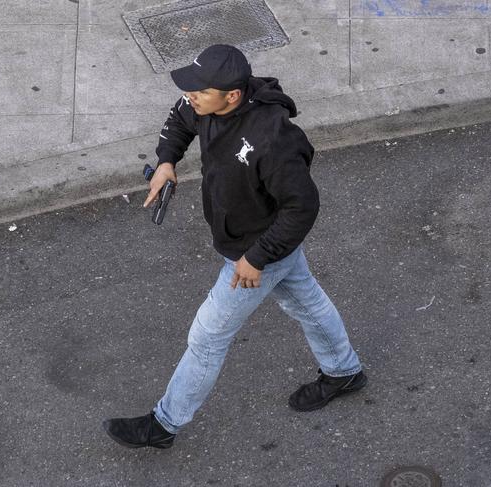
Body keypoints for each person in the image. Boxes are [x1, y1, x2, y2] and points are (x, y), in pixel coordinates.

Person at [103, 44, 366, 449]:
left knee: (208, 336)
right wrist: (167, 161)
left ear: (232, 95)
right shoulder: (205, 106)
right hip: (246, 242)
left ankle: (163, 425)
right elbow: (178, 117)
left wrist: (256, 258)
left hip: (258, 247)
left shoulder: (273, 140)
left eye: (198, 90)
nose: (190, 95)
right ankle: (344, 370)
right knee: (306, 302)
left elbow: (302, 207)